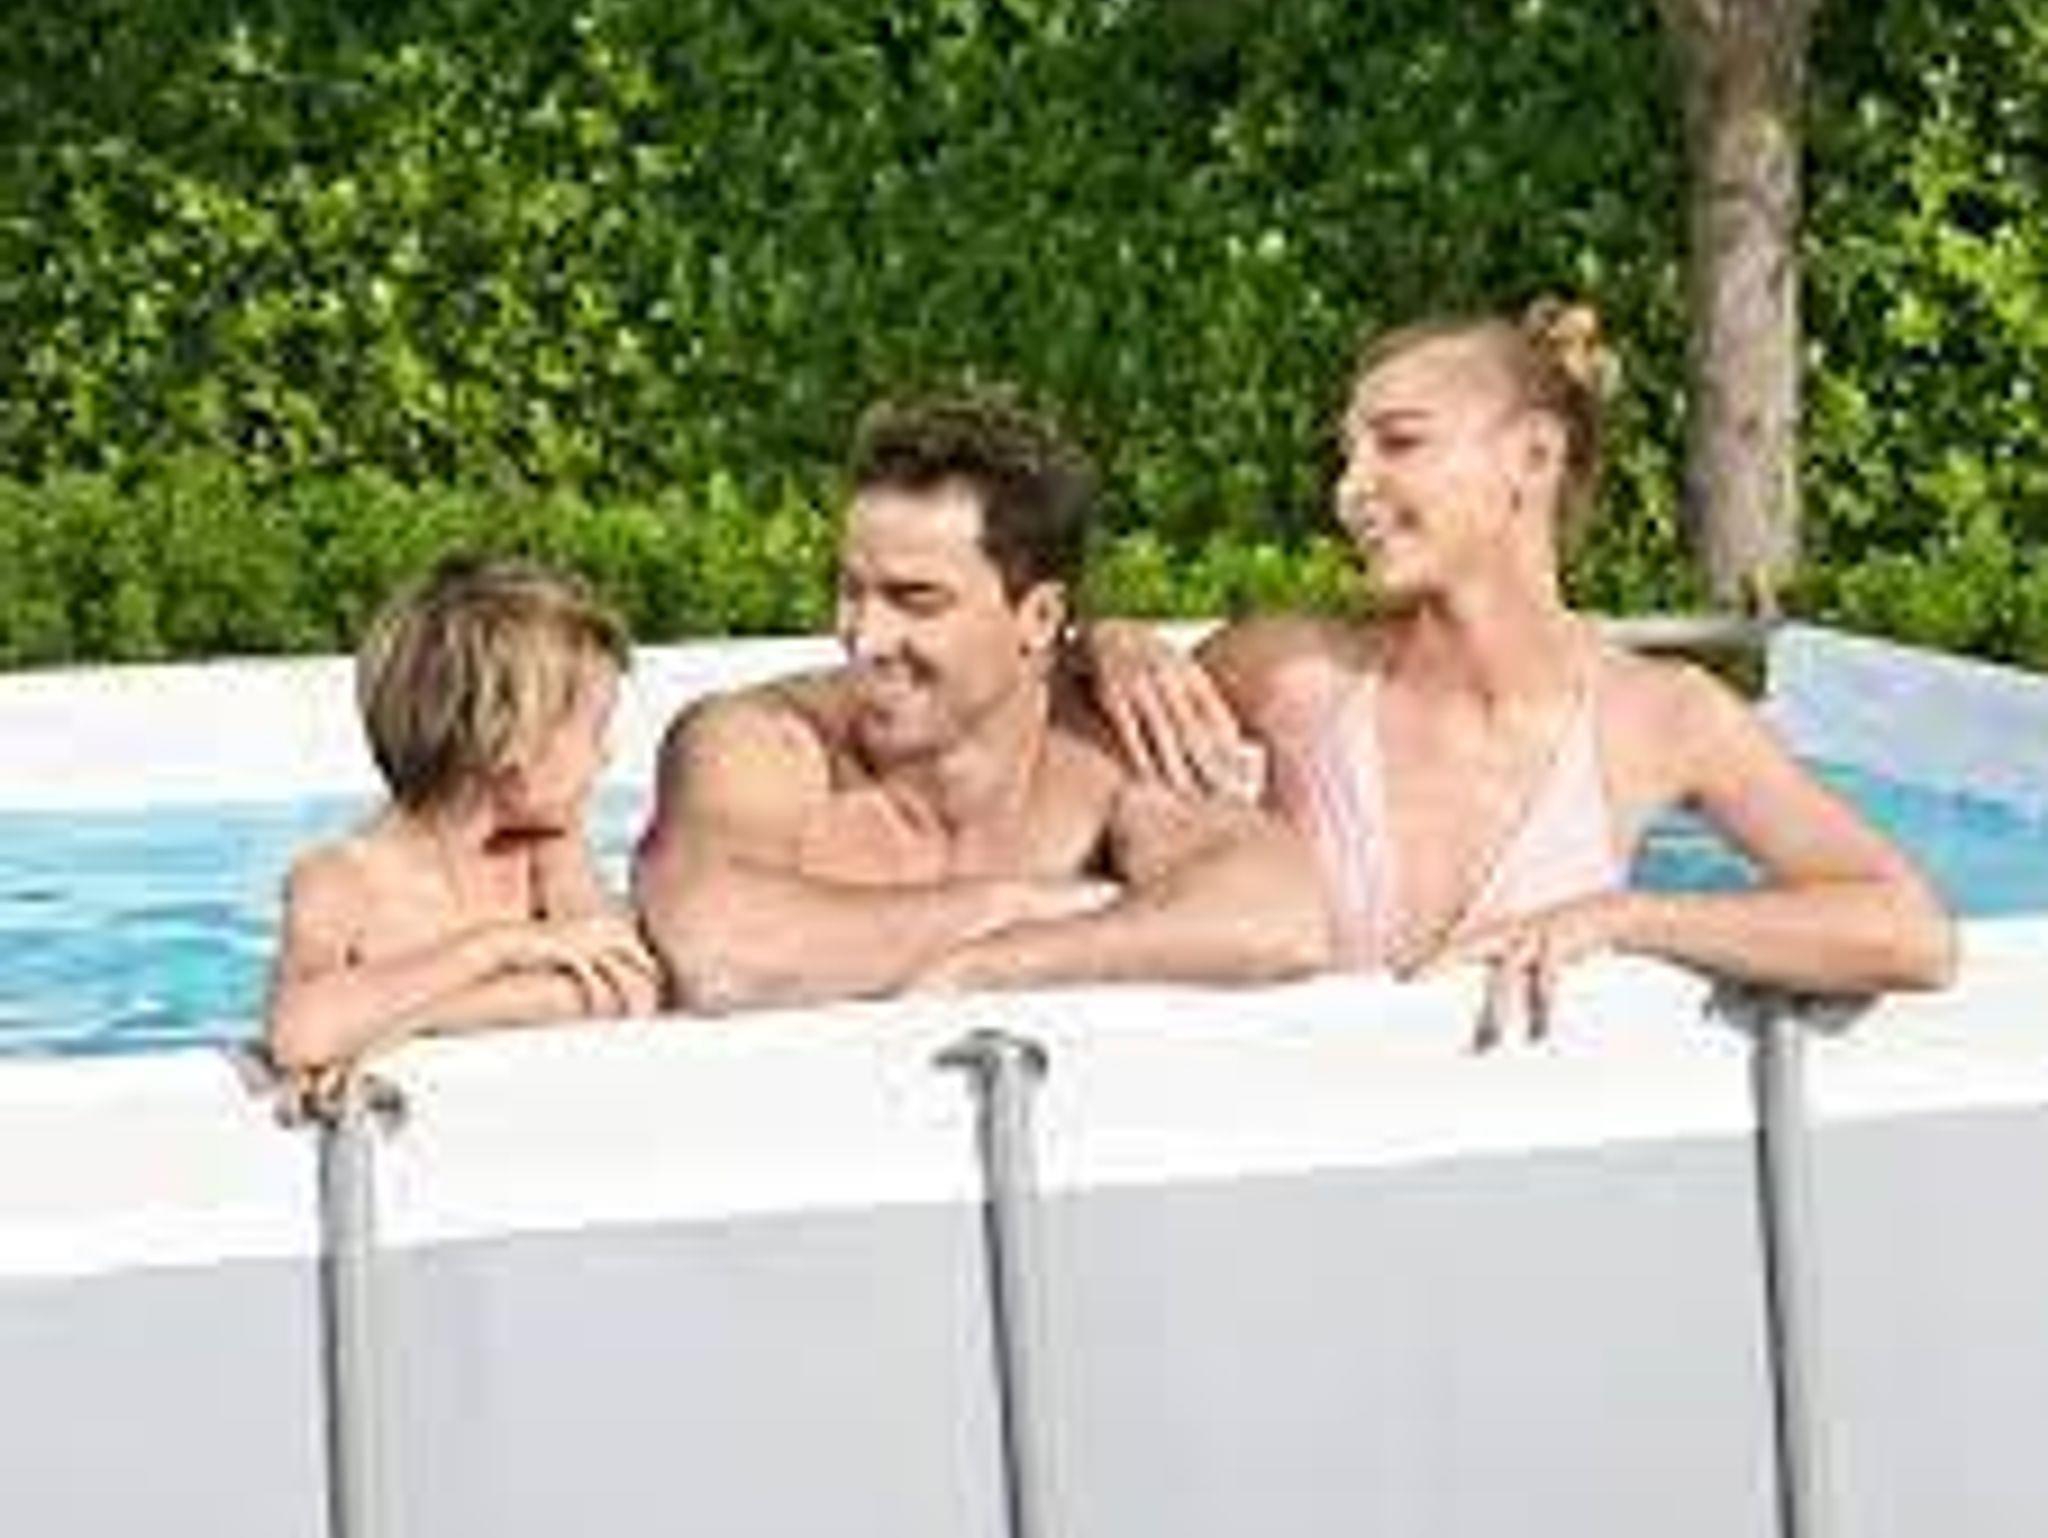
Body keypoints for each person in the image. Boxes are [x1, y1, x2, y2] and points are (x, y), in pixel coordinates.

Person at [1086, 301, 1954, 1047]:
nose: (1349, 489)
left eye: (1398, 443)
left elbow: (1907, 929)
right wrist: (1102, 646)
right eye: (1347, 454)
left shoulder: (1660, 716)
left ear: (1533, 457)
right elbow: (1035, 783)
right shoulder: (1289, 675)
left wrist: (1627, 920)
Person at [633, 393, 1330, 1011]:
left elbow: (1280, 917)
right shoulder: (761, 740)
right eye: (851, 591)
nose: (865, 638)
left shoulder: (1110, 753)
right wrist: (1035, 904)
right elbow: (718, 952)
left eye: (916, 600)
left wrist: (1000, 966)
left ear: (1038, 616)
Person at [266, 556, 660, 1080]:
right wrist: (498, 948)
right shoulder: (339, 880)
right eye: (595, 729)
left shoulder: (546, 850)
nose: (606, 755)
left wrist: (414, 1020)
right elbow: (299, 1035)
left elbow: (631, 988)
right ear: (512, 742)